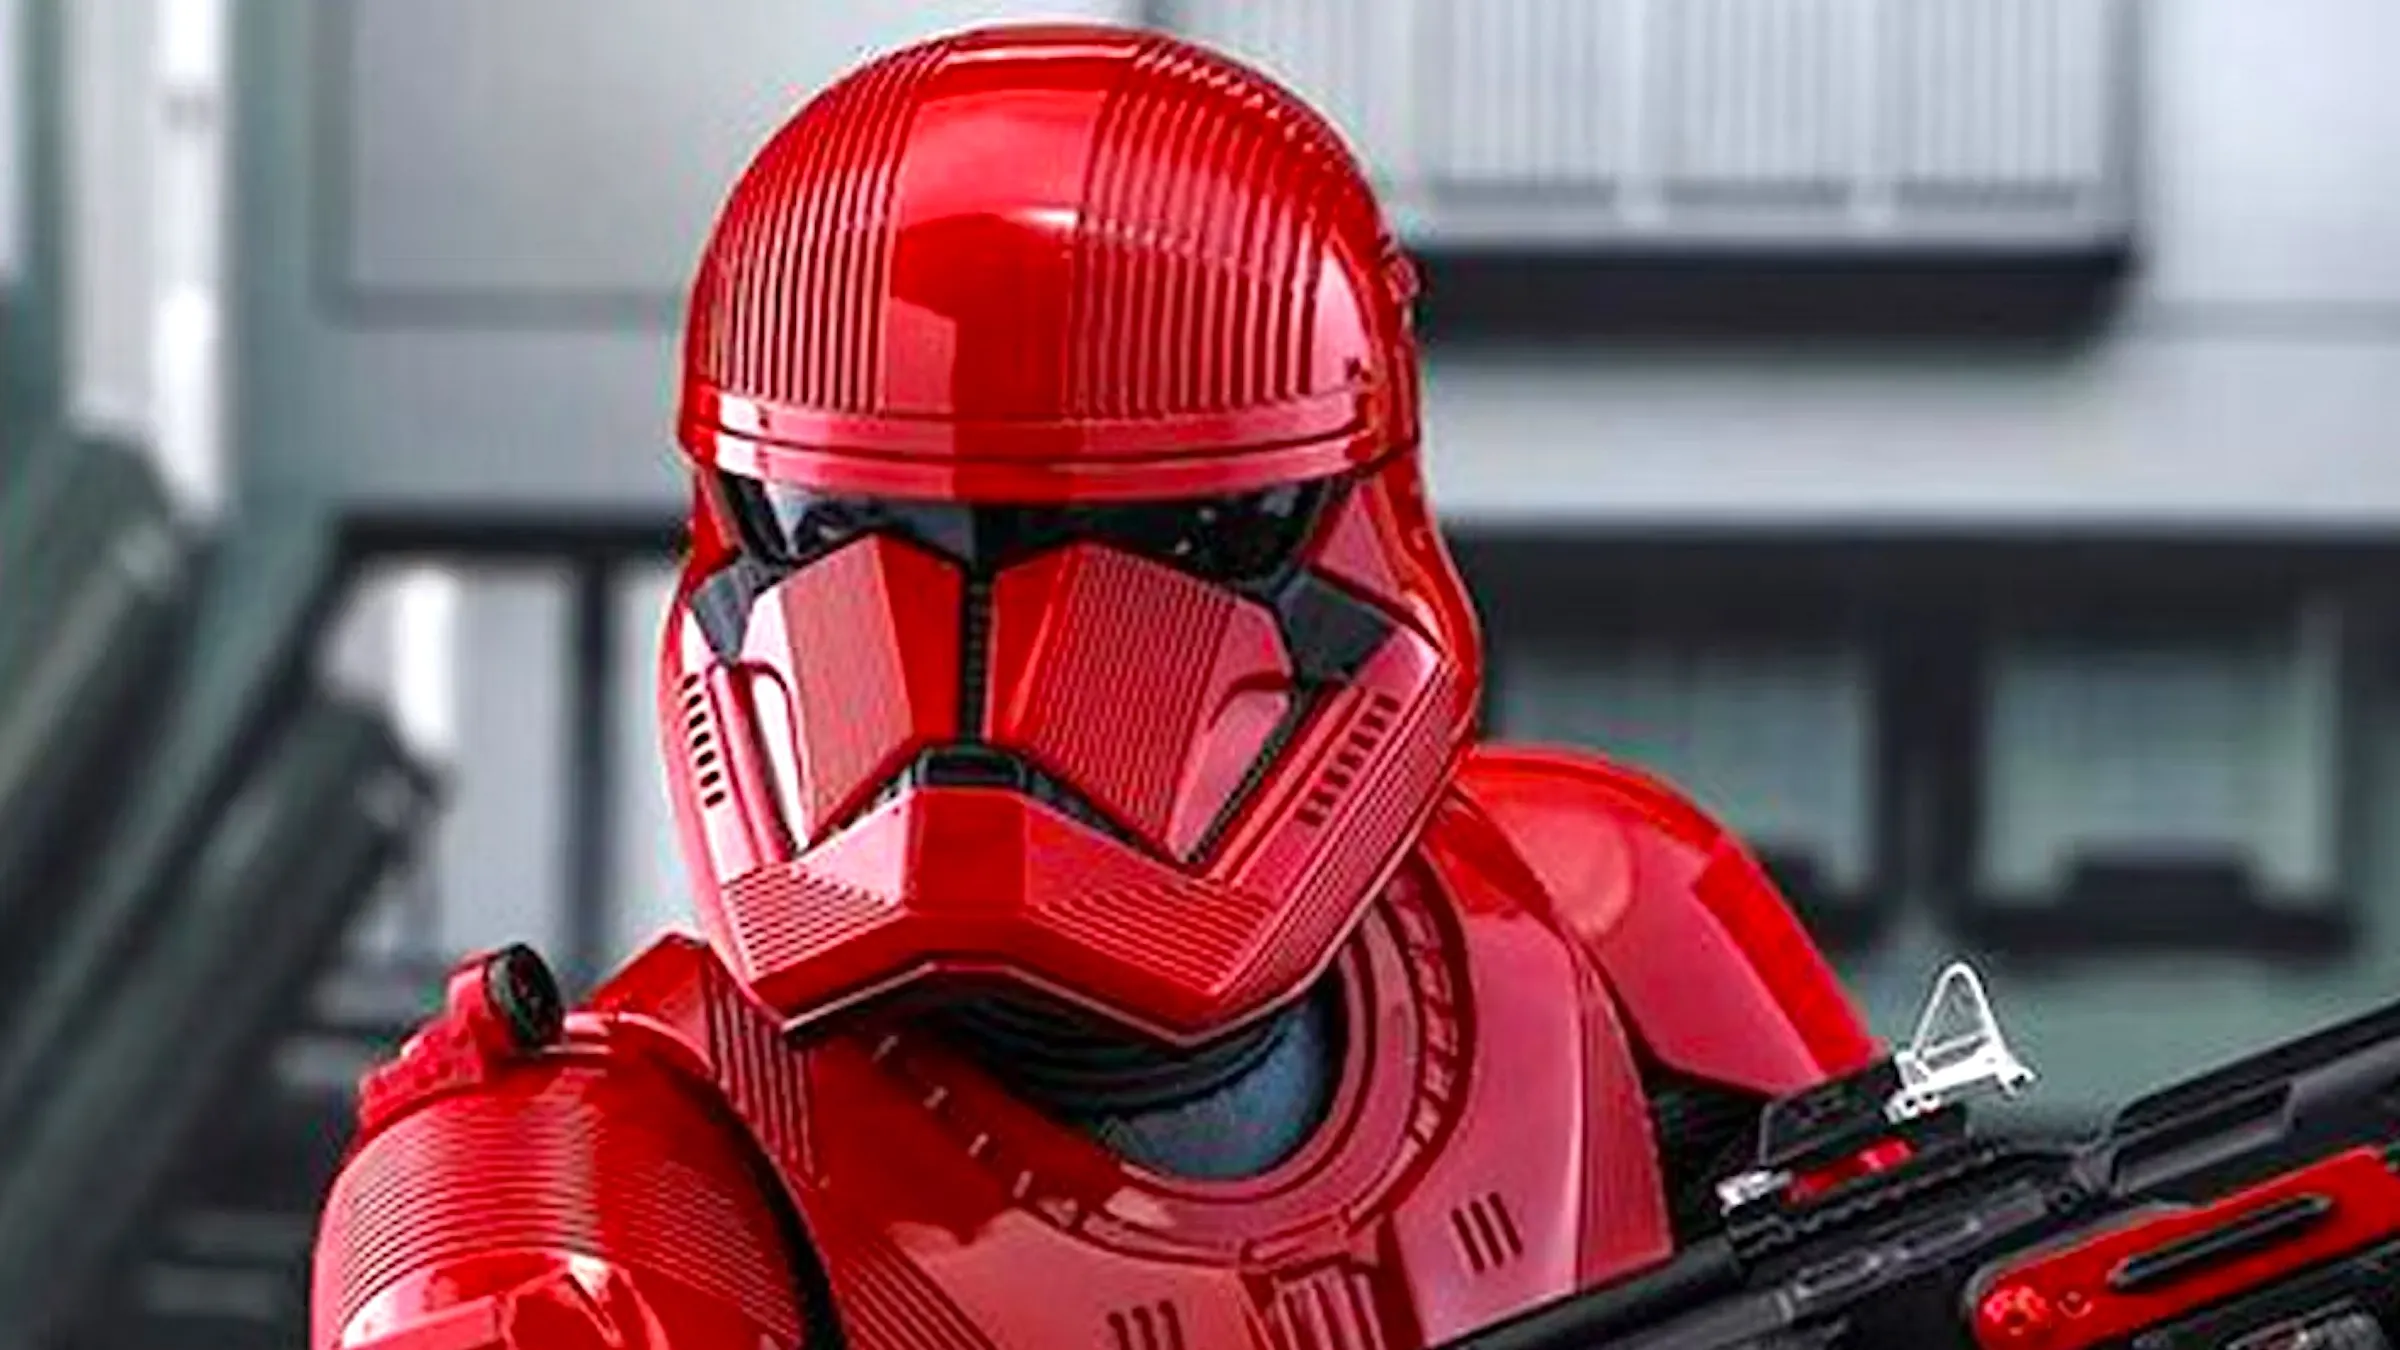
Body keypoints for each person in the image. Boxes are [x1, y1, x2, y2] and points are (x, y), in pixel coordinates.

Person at [309, 23, 1882, 1350]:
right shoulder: (582, 1182)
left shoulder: (1600, 915)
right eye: (850, 533)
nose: (962, 668)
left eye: (1147, 542)